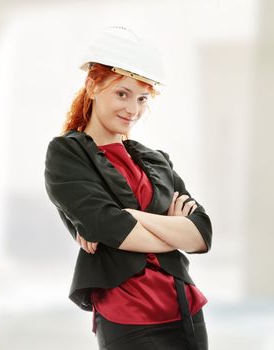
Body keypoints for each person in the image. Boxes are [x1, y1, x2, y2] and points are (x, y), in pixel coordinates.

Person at [44, 26, 213, 350]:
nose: (132, 109)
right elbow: (107, 226)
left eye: (141, 98)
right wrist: (172, 229)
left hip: (185, 309)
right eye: (122, 93)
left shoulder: (156, 160)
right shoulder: (68, 153)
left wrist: (130, 215)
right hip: (128, 317)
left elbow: (201, 235)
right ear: (93, 86)